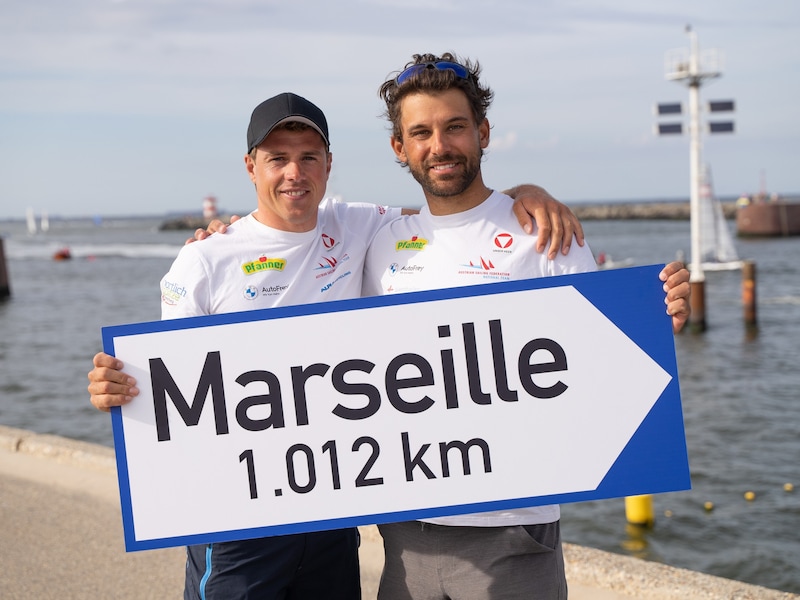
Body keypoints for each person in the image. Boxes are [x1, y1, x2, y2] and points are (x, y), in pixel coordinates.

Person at [87, 92, 593, 600]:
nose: (294, 173)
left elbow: (452, 207)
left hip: (331, 516)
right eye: (277, 159)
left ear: (329, 164)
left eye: (309, 157)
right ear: (250, 167)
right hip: (241, 524)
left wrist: (529, 193)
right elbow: (174, 395)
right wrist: (123, 389)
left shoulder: (358, 225)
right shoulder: (203, 262)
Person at [362, 52, 691, 600]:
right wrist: (225, 240)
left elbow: (598, 356)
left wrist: (655, 322)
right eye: (421, 132)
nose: (439, 145)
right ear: (401, 147)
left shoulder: (544, 233)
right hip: (405, 536)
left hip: (512, 532)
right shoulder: (382, 243)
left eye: (455, 127)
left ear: (483, 132)